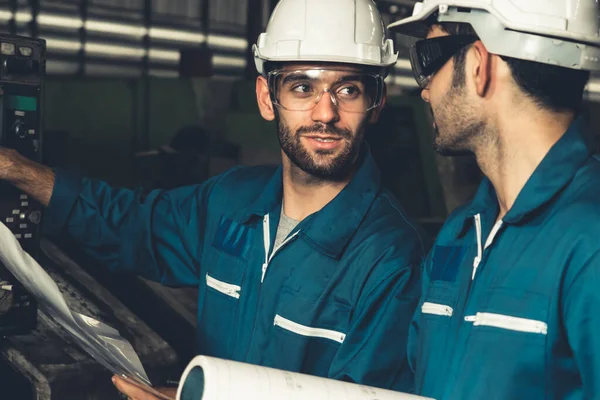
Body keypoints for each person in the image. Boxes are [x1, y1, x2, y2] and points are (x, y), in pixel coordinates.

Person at [1, 0, 427, 398]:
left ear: (376, 103)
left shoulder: (389, 258)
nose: (325, 113)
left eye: (348, 90)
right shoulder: (231, 202)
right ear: (266, 97)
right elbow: (127, 223)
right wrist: (16, 169)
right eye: (302, 88)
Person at [388, 0, 600, 398]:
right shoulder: (460, 235)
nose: (425, 88)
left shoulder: (590, 242)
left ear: (479, 66)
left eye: (428, 60)